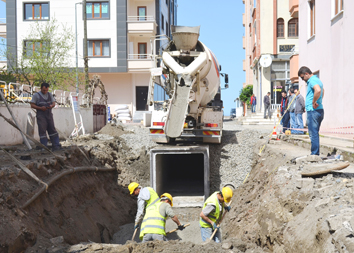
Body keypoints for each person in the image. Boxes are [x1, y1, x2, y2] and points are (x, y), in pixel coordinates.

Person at [298, 66, 325, 155]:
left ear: (306, 74)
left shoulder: (312, 81)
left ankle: (314, 154)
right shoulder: (318, 80)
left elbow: (318, 90)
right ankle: (315, 153)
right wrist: (319, 101)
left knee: (313, 134)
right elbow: (322, 91)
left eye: (302, 77)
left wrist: (314, 101)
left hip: (313, 111)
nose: (302, 80)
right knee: (315, 133)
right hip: (319, 110)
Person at [30, 82, 61, 151]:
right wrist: (40, 108)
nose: (45, 92)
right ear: (41, 88)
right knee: (42, 131)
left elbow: (53, 103)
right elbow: (32, 105)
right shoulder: (36, 95)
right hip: (41, 116)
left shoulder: (50, 95)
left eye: (46, 90)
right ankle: (44, 147)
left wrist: (51, 106)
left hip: (49, 115)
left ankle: (56, 145)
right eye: (44, 90)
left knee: (52, 130)